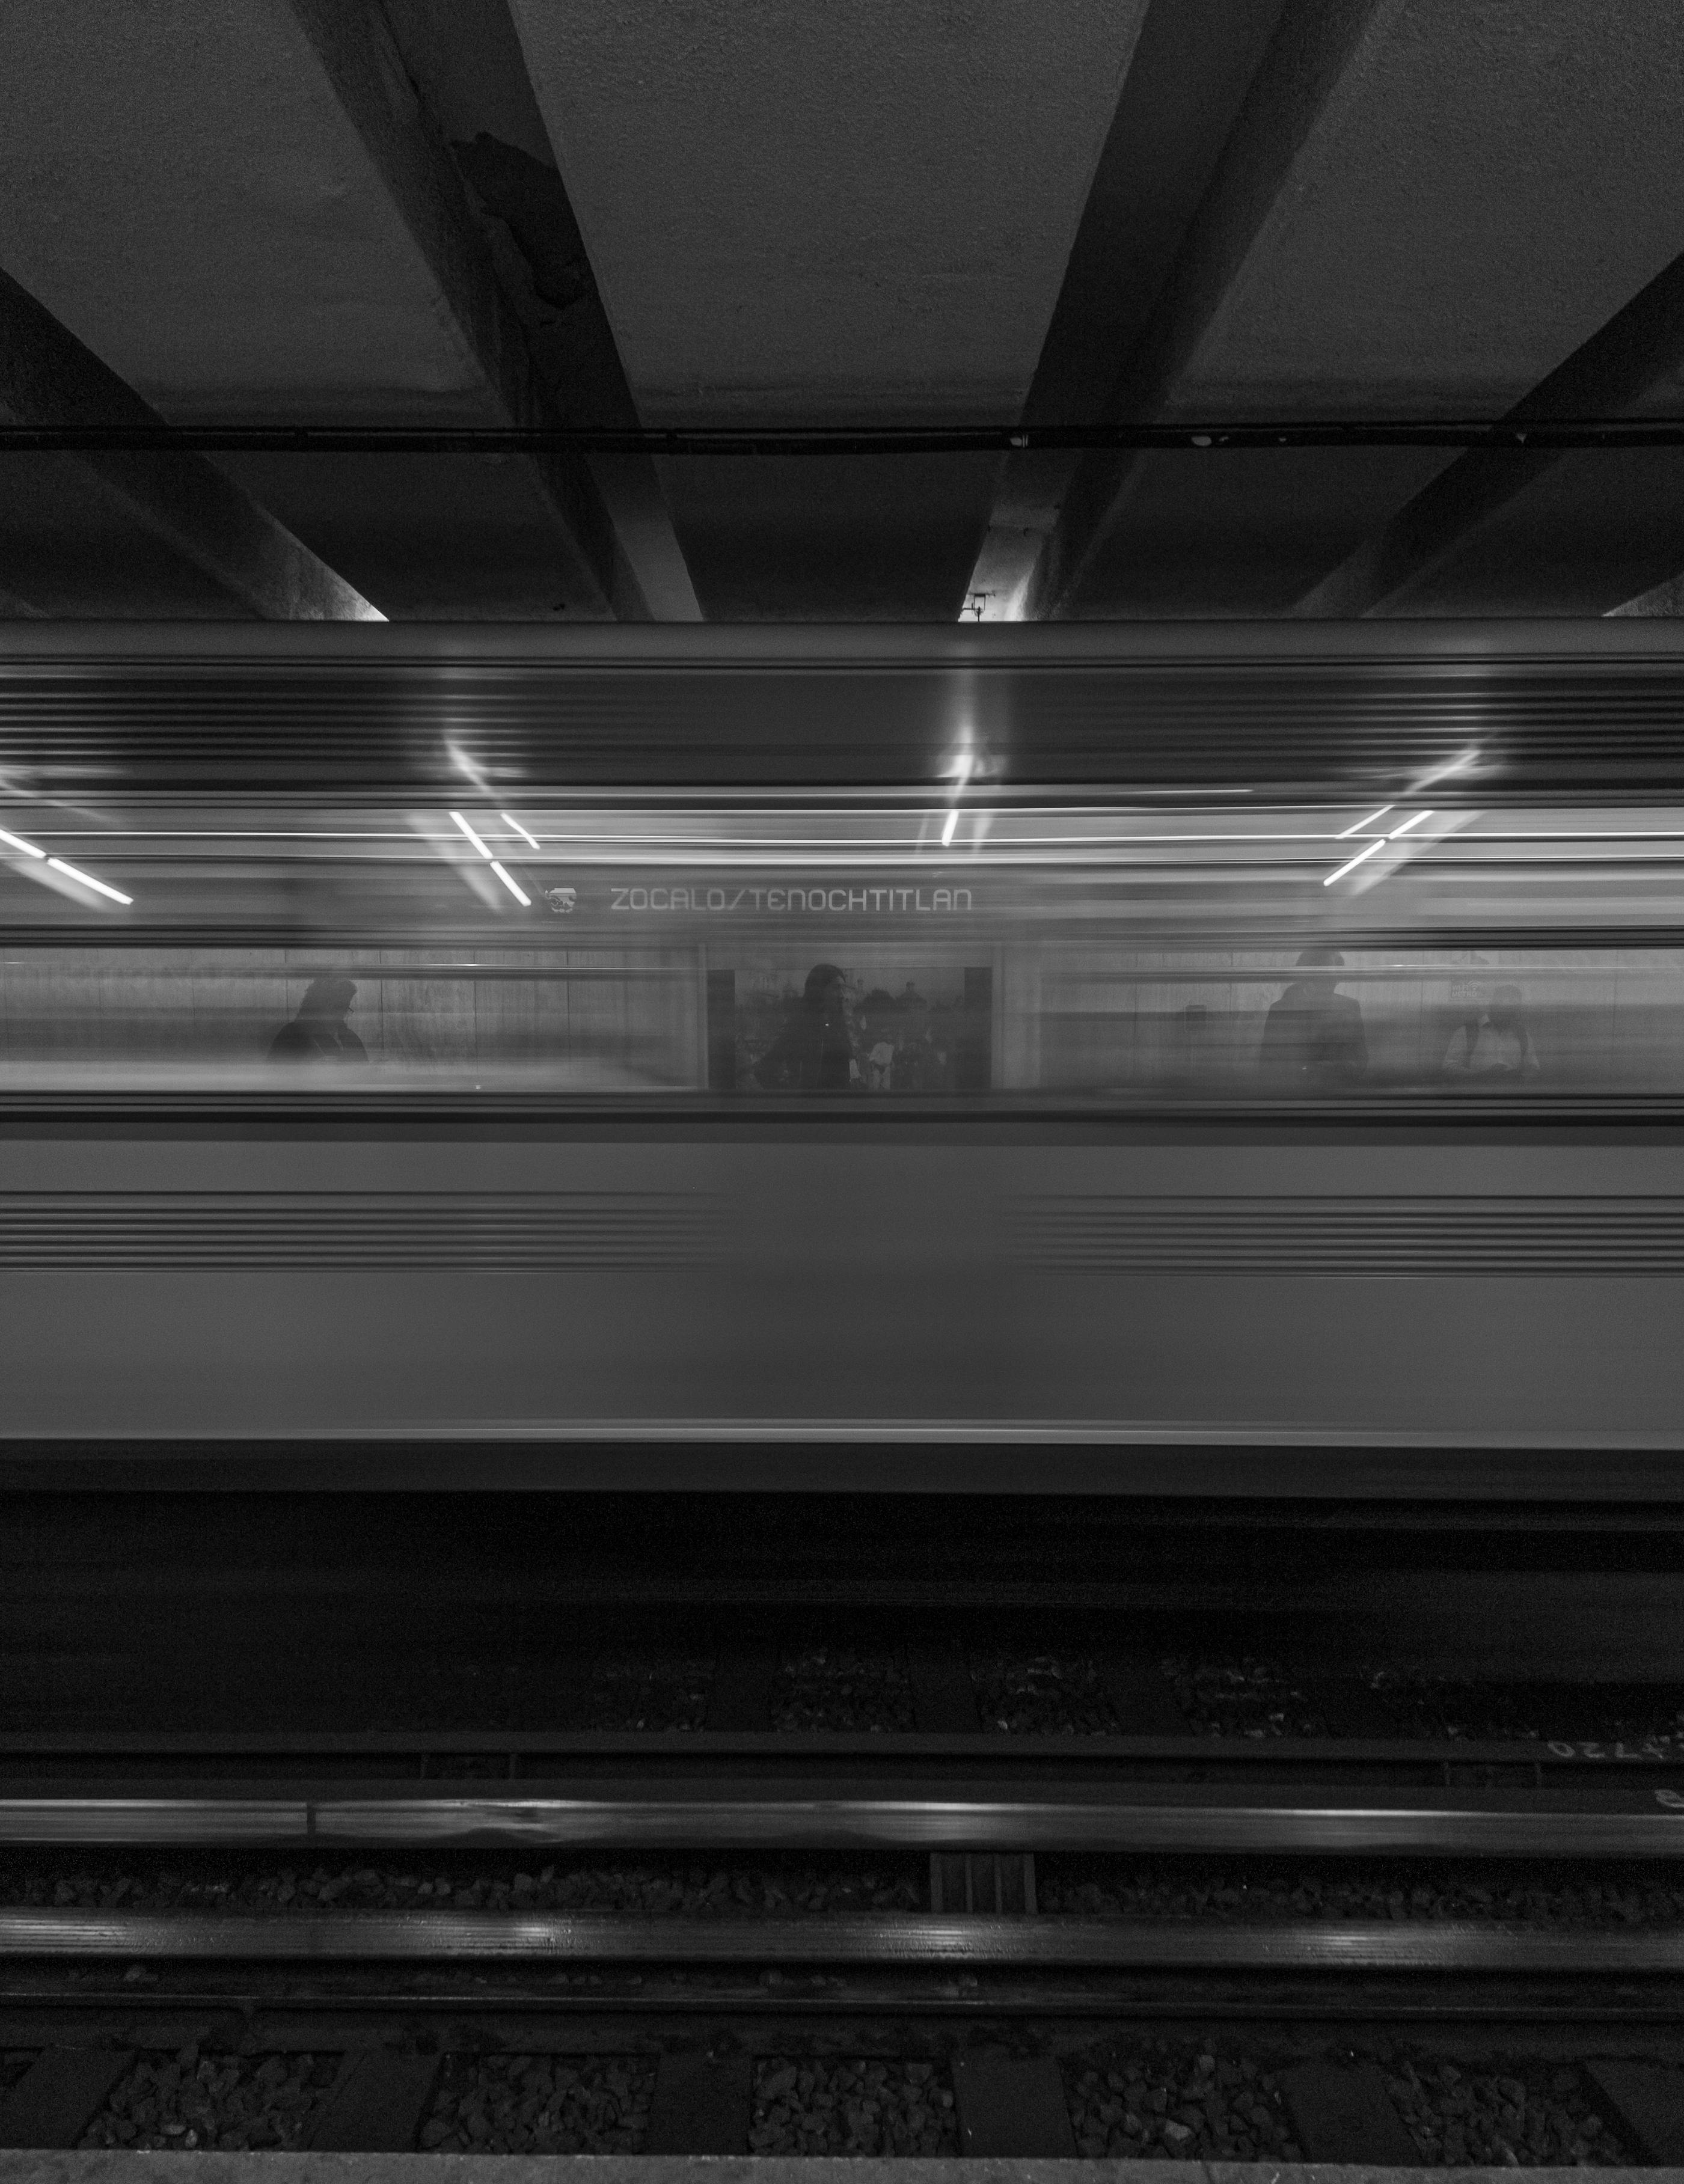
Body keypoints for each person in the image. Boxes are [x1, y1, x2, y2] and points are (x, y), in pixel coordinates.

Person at [1260, 947, 1367, 1091]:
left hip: (1335, 1094)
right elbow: (1269, 1064)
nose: (1334, 983)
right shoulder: (1281, 1009)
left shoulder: (1349, 1007)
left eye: (1335, 979)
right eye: (1328, 979)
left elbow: (1359, 1061)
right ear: (1308, 979)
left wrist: (1313, 1070)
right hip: (1293, 1095)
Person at [751, 963, 858, 1090]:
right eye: (836, 988)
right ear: (819, 991)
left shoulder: (839, 1027)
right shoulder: (799, 1028)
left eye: (842, 989)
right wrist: (794, 1099)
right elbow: (763, 1070)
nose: (842, 995)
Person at [1442, 983, 1539, 1080]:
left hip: (1512, 1093)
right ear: (1493, 1006)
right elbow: (1449, 1068)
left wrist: (1519, 1077)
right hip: (1476, 1092)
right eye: (1503, 1008)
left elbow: (1533, 1067)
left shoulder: (1522, 1035)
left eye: (1512, 1010)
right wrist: (1481, 1076)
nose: (1507, 1014)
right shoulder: (1468, 1032)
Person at [269, 975, 367, 1062]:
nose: (342, 1013)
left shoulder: (351, 1038)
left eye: (345, 1007)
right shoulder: (292, 1034)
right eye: (337, 1006)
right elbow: (275, 1074)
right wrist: (314, 1067)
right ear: (318, 1005)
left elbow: (364, 1074)